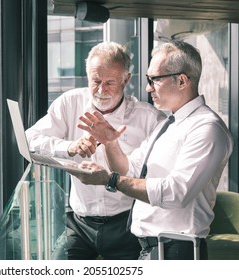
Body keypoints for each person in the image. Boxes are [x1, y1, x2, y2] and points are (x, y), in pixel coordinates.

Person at [73, 40, 234, 260]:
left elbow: (176, 193)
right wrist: (110, 143)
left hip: (177, 251)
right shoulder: (167, 124)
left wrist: (109, 180)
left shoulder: (207, 128)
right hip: (151, 249)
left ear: (182, 80)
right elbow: (130, 170)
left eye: (154, 80)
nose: (148, 88)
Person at [26, 41, 166, 260]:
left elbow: (159, 178)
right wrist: (68, 147)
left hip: (128, 224)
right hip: (79, 224)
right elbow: (29, 139)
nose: (101, 90)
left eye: (110, 82)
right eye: (95, 81)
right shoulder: (70, 102)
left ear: (126, 80)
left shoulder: (149, 118)